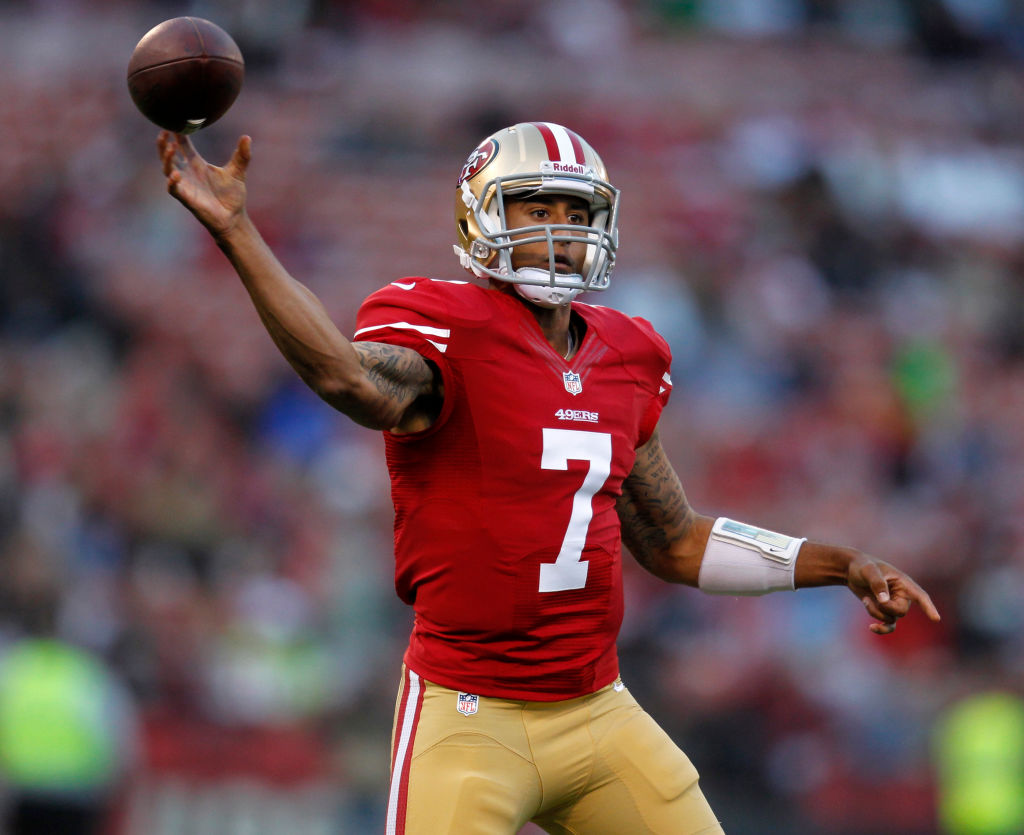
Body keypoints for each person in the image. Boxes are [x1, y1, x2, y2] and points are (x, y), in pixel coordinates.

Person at [156, 120, 941, 834]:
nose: (561, 234)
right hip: (467, 716)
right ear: (480, 216)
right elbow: (346, 381)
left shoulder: (628, 355)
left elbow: (674, 541)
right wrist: (237, 232)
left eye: (576, 213)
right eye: (536, 209)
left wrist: (838, 564)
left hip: (598, 710)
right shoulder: (445, 330)